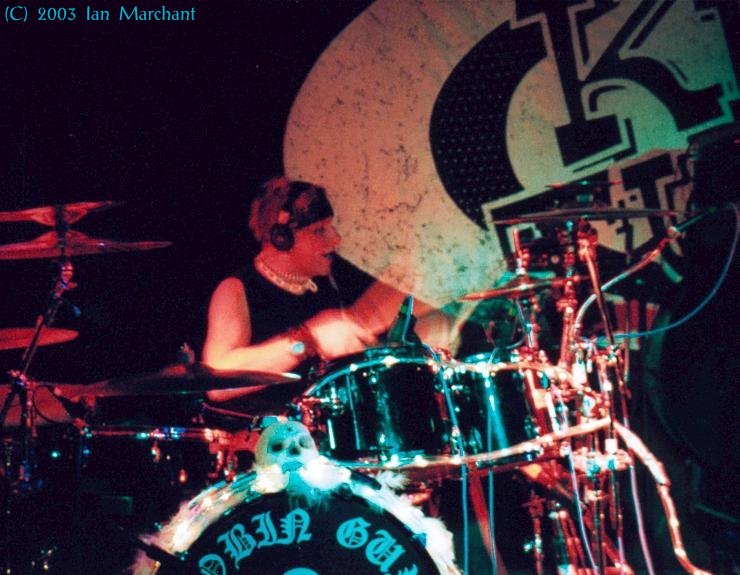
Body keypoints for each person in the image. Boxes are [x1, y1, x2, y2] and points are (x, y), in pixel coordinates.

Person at [201, 176, 451, 405]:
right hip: (266, 436)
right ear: (281, 238)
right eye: (319, 231)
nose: (335, 239)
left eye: (330, 228)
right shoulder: (235, 289)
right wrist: (308, 340)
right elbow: (217, 383)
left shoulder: (329, 282)